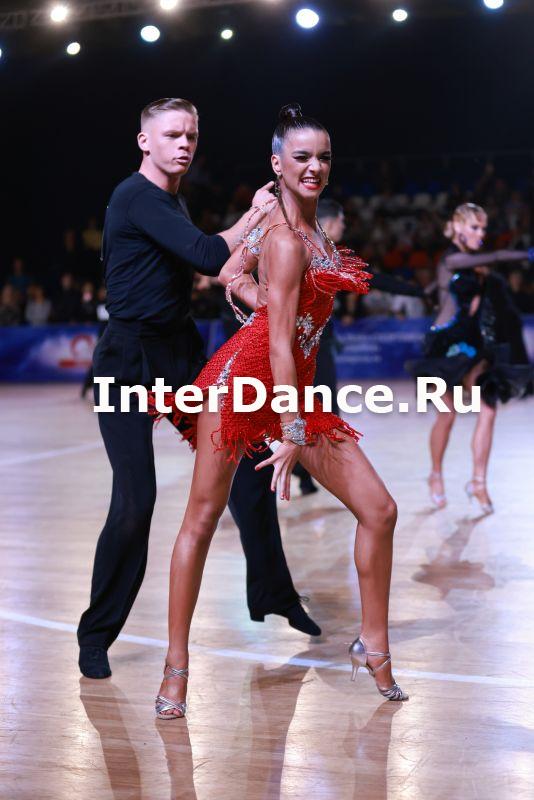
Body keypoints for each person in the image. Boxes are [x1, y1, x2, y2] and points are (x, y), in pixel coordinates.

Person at [151, 104, 408, 719]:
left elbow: (230, 273)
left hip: (293, 388)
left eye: (323, 156)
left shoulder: (313, 235)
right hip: (242, 387)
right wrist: (291, 428)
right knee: (201, 521)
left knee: (379, 510)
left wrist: (259, 297)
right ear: (277, 164)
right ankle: (175, 667)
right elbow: (274, 344)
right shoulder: (288, 240)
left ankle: (373, 644)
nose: (314, 166)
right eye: (301, 157)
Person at [78, 97, 318, 681]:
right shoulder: (135, 196)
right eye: (171, 134)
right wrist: (255, 213)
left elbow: (201, 266)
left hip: (178, 355)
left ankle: (274, 594)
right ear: (145, 141)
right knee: (135, 501)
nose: (184, 144)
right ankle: (96, 634)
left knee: (250, 460)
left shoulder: (170, 201)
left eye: (190, 135)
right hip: (128, 365)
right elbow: (209, 255)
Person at [407, 203, 534, 511]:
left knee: (488, 410)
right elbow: (497, 256)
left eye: (483, 228)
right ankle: (435, 475)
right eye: (475, 227)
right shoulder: (451, 259)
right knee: (447, 414)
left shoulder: (476, 266)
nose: (481, 234)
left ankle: (478, 482)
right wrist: (527, 254)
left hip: (474, 347)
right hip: (444, 350)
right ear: (457, 227)